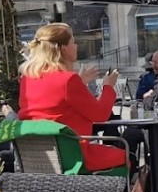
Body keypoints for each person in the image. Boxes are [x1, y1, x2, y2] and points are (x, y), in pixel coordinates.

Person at [18, 23, 126, 172]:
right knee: (127, 155)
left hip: (39, 158)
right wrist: (108, 87)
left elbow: (53, 101)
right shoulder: (68, 80)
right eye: (73, 42)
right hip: (73, 156)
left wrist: (79, 82)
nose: (76, 46)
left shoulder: (27, 78)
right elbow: (101, 115)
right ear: (63, 48)